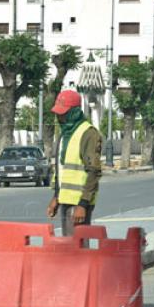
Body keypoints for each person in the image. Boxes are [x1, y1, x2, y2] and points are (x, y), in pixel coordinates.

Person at [46, 90, 103, 236]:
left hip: (79, 203)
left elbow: (94, 171)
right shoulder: (64, 135)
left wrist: (83, 204)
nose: (59, 117)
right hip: (65, 200)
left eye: (63, 113)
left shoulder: (88, 133)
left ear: (75, 113)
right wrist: (56, 198)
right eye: (58, 113)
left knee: (78, 247)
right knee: (69, 246)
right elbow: (62, 170)